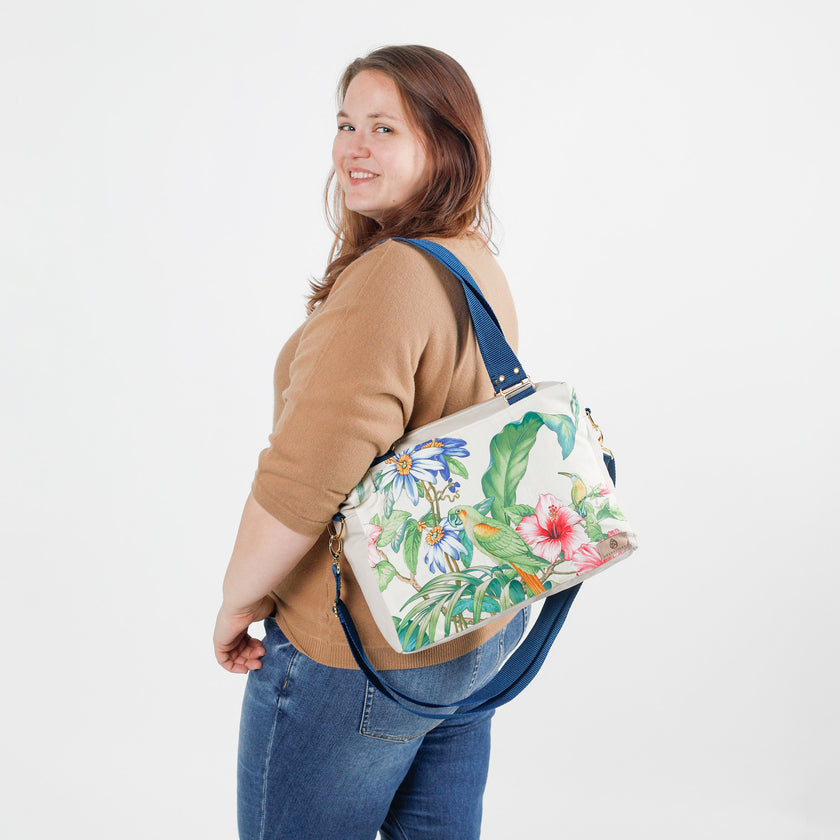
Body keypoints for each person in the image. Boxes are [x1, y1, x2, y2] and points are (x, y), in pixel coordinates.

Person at [214, 45, 527, 840]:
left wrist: (238, 601)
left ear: (444, 147)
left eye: (384, 127)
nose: (354, 146)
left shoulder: (392, 277)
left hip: (356, 652)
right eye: (347, 123)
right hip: (471, 630)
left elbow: (301, 482)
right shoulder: (469, 260)